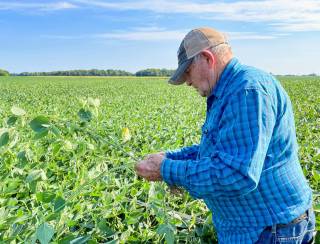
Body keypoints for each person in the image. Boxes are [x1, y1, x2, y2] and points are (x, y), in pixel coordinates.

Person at [135, 27, 316, 243]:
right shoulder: (230, 90)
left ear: (207, 58)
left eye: (187, 71)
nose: (187, 81)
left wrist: (166, 169)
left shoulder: (246, 91)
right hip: (264, 228)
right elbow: (218, 151)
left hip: (268, 231)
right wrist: (170, 157)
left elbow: (237, 174)